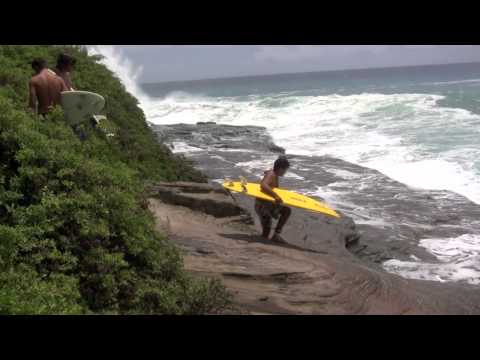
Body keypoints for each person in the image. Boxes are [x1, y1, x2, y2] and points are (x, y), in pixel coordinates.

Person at [255, 156, 292, 243]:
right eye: (285, 170)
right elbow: (263, 185)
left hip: (268, 205)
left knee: (286, 211)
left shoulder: (273, 174)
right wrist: (276, 196)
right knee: (266, 232)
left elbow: (268, 178)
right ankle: (263, 244)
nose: (285, 172)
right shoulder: (272, 174)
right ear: (280, 169)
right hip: (262, 206)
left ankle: (276, 235)